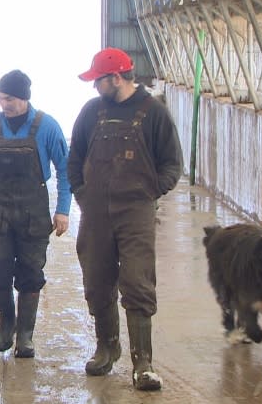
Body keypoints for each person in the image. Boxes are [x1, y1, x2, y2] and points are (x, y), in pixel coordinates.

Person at [69, 48, 183, 390]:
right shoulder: (92, 112)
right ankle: (107, 348)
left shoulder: (154, 113)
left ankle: (142, 363)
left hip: (136, 212)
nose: (94, 87)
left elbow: (172, 164)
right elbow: (74, 157)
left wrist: (150, 192)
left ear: (116, 78)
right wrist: (82, 193)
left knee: (137, 281)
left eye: (98, 81)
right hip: (96, 212)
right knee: (97, 279)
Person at [0, 69, 71, 359]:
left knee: (30, 272)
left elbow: (65, 171)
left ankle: (25, 334)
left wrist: (63, 210)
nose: (4, 104)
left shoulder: (47, 126)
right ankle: (6, 323)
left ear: (24, 97)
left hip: (33, 210)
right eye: (1, 98)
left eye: (9, 98)